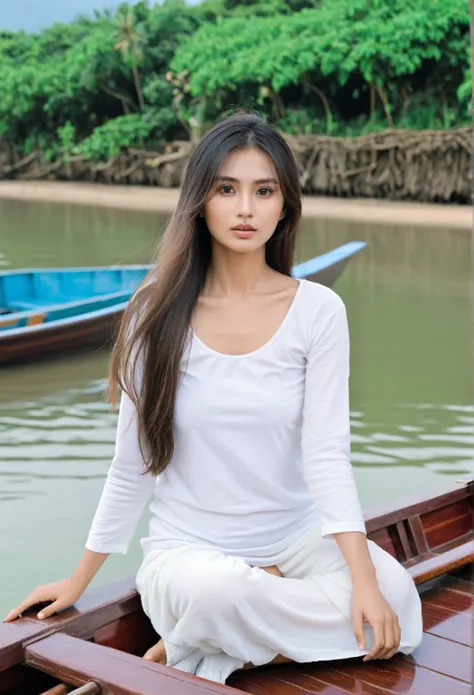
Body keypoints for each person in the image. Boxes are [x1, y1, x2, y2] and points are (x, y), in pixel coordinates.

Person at [3, 113, 423, 683]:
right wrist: (79, 579)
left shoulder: (319, 311)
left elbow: (327, 454)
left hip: (297, 539)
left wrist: (366, 578)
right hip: (191, 554)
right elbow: (131, 467)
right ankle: (227, 628)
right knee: (214, 593)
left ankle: (213, 651)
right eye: (227, 189)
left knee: (397, 598)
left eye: (263, 190)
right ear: (200, 201)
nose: (245, 208)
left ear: (285, 205)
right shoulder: (153, 311)